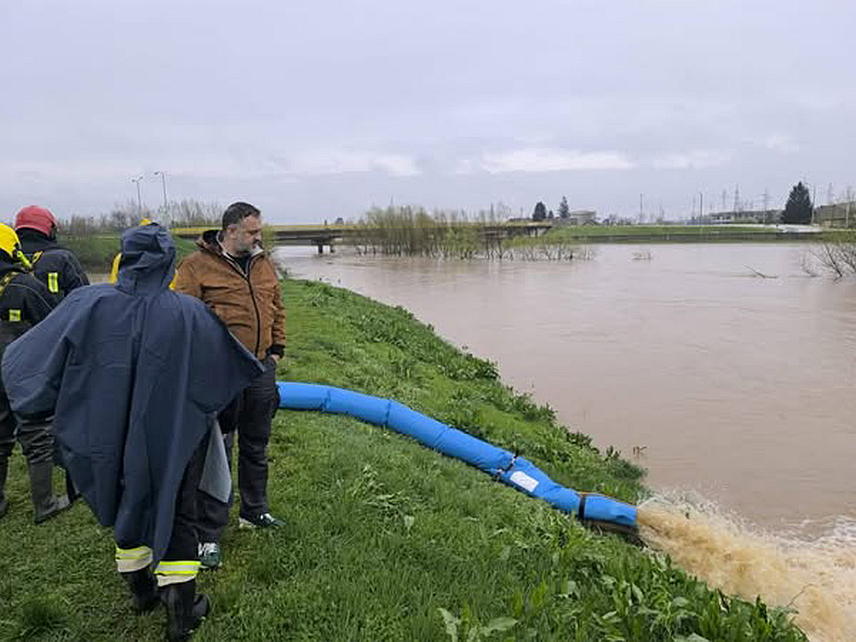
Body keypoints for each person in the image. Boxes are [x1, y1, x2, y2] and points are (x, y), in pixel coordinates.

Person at [2, 223, 264, 640]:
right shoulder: (190, 313)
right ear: (166, 262)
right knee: (179, 510)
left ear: (125, 256)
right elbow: (225, 375)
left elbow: (25, 361)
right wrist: (224, 420)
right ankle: (182, 614)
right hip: (176, 436)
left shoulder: (86, 303)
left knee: (127, 499)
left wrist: (46, 409)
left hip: (107, 433)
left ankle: (141, 591)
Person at [174, 201, 285, 569]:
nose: (258, 238)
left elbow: (277, 307)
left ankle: (254, 512)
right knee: (214, 454)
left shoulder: (263, 262)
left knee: (256, 445)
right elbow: (182, 320)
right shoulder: (195, 267)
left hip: (260, 370)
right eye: (252, 232)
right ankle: (207, 535)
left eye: (259, 231)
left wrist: (276, 351)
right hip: (219, 376)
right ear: (230, 230)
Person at [0, 223, 68, 523]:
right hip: (22, 372)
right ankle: (45, 504)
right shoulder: (23, 285)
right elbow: (53, 323)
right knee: (36, 431)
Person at [14, 205, 89, 299]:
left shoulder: (7, 258)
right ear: (51, 230)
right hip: (61, 312)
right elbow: (85, 297)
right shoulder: (63, 257)